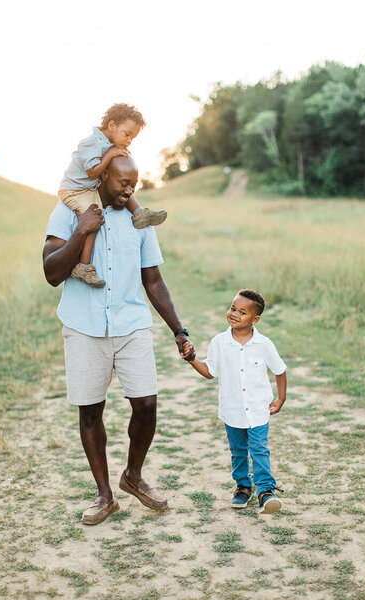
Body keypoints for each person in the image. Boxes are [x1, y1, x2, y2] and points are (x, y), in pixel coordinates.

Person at [43, 154, 194, 525]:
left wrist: (179, 330)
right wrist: (81, 230)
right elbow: (51, 272)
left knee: (146, 405)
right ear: (101, 176)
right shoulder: (67, 209)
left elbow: (153, 281)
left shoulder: (140, 220)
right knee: (91, 411)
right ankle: (104, 495)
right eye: (122, 182)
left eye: (135, 183)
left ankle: (134, 475)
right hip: (83, 326)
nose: (129, 189)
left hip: (131, 324)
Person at [181, 289, 287, 514]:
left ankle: (266, 492)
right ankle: (243, 487)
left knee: (259, 449)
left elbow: (280, 369)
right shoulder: (219, 342)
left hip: (258, 409)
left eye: (242, 312)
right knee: (238, 451)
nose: (234, 314)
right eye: (232, 308)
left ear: (255, 319)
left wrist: (281, 398)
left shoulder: (264, 344)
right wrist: (192, 359)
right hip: (232, 410)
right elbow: (210, 371)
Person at [58, 103, 167, 288]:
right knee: (93, 219)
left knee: (122, 184)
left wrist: (116, 154)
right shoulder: (90, 143)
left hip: (89, 186)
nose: (129, 140)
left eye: (132, 137)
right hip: (74, 189)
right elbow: (92, 172)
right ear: (111, 126)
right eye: (127, 134)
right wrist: (110, 154)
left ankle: (139, 213)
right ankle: (83, 267)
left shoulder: (110, 145)